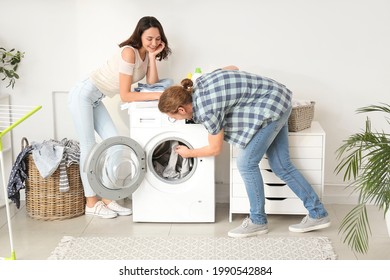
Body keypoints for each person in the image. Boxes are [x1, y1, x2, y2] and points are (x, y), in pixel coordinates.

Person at [158, 66, 331, 237]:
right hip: (280, 98)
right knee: (281, 165)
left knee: (246, 163)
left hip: (273, 107)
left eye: (174, 118)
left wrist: (189, 153)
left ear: (181, 109)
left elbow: (215, 148)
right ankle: (318, 213)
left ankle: (257, 221)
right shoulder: (201, 82)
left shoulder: (206, 111)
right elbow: (233, 68)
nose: (177, 120)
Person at [68, 16, 172, 219]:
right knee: (89, 147)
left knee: (116, 145)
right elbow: (126, 95)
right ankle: (91, 202)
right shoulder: (128, 52)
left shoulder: (144, 55)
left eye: (157, 39)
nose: (154, 43)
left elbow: (151, 83)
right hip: (83, 95)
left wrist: (152, 57)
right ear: (139, 35)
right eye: (149, 38)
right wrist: (159, 95)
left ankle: (107, 198)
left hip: (96, 99)